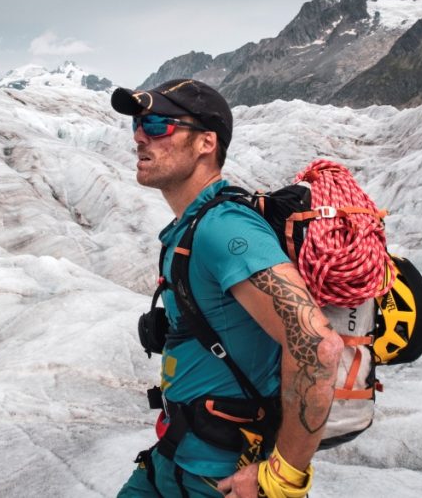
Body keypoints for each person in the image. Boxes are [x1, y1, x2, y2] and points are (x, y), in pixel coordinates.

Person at [112, 79, 343, 498]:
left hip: (223, 479)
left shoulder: (225, 228)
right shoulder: (194, 225)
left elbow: (317, 345)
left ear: (206, 143)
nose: (141, 136)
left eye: (160, 124)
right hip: (174, 457)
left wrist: (283, 478)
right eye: (138, 125)